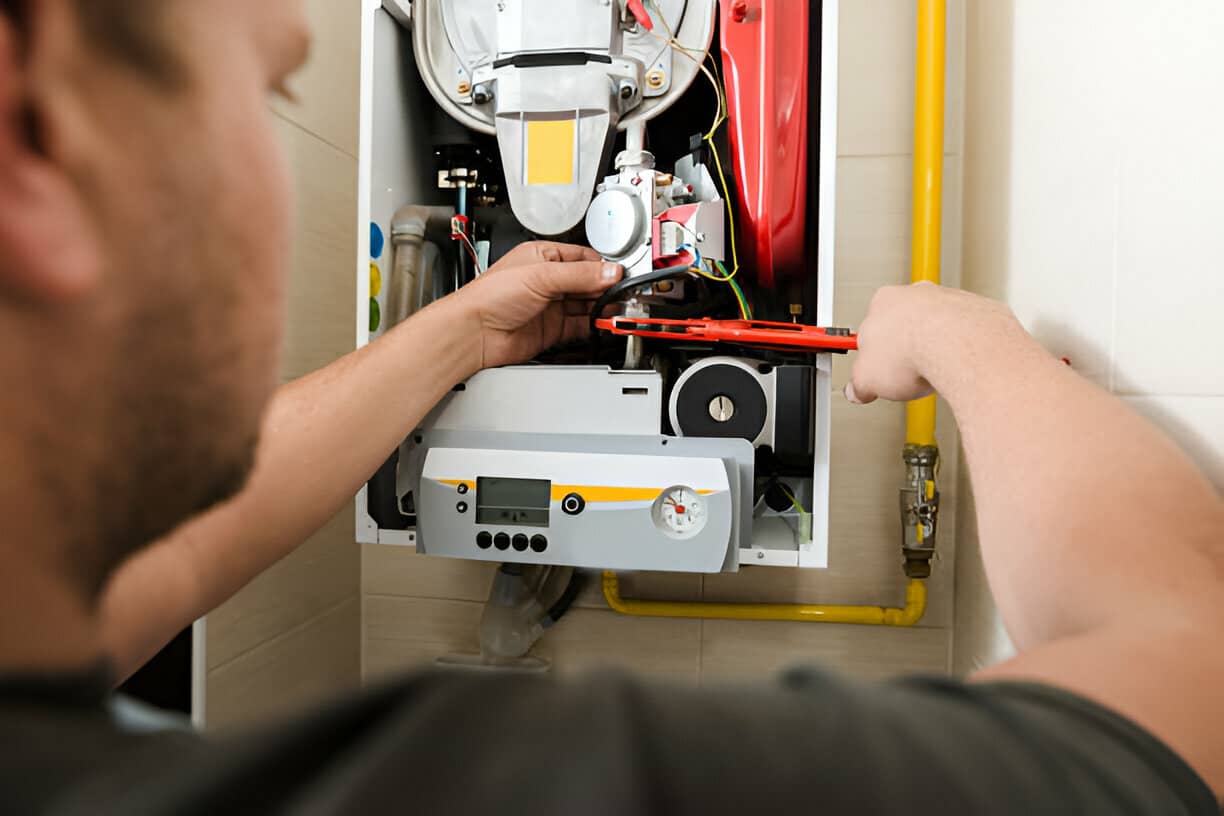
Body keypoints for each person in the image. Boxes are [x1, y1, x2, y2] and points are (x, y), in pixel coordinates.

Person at [1, 0, 1220, 813]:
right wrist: (969, 338)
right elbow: (1191, 663)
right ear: (34, 137)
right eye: (265, 92)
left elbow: (176, 549)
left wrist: (467, 329)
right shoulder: (529, 780)